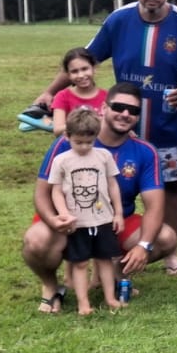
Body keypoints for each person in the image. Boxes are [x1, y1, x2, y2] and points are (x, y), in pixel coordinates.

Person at [35, 0, 177, 274]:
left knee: (173, 188)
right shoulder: (119, 20)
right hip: (124, 128)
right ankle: (100, 248)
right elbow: (84, 60)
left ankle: (171, 252)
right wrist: (49, 92)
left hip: (170, 126)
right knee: (111, 184)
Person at [23, 83, 177, 310]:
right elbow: (42, 193)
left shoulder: (145, 151)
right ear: (104, 107)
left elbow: (155, 207)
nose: (125, 114)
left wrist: (143, 246)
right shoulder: (70, 141)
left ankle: (115, 276)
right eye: (119, 107)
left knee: (165, 238)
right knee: (36, 240)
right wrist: (54, 219)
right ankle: (51, 287)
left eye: (133, 110)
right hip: (70, 222)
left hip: (112, 223)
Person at [41, 108, 125, 315]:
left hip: (103, 219)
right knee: (79, 264)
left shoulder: (104, 156)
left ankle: (110, 298)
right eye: (79, 142)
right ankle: (83, 304)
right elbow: (56, 191)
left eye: (90, 142)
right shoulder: (61, 160)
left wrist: (118, 213)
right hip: (77, 223)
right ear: (67, 136)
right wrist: (63, 213)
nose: (85, 147)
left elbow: (113, 185)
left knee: (105, 260)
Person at [50, 47, 107, 137]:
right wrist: (88, 122)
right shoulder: (62, 96)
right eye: (74, 71)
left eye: (84, 69)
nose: (80, 75)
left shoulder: (107, 97)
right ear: (68, 75)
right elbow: (57, 130)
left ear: (93, 68)